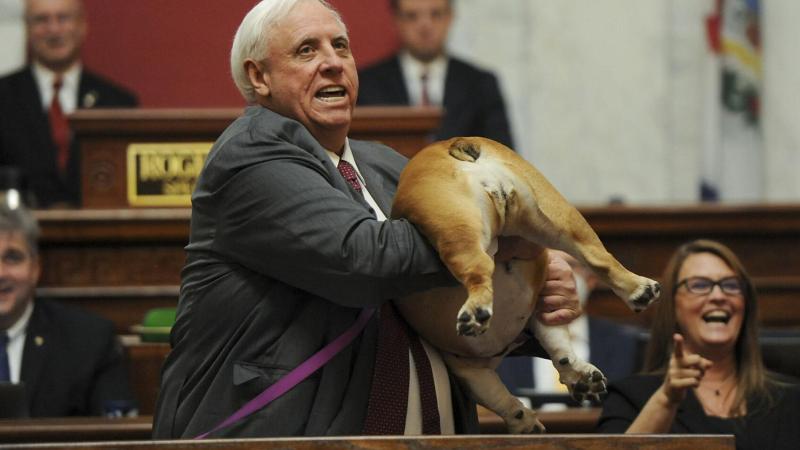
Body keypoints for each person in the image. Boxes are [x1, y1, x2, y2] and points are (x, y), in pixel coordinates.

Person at [151, 0, 579, 439]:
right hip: (281, 434)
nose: (333, 62)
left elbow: (436, 295)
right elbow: (363, 260)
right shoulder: (251, 157)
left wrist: (531, 297)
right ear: (259, 77)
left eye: (341, 46)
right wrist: (508, 246)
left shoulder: (386, 166)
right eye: (306, 50)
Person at [597, 239, 800, 450]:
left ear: (745, 304)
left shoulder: (790, 401)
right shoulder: (631, 397)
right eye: (699, 285)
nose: (718, 296)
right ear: (673, 305)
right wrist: (666, 400)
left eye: (731, 285)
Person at [0, 203, 134, 417]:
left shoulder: (89, 340)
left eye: (12, 258)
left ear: (35, 268)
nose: (1, 273)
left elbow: (115, 437)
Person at [0, 0, 138, 208]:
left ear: (82, 26)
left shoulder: (118, 103)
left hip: (100, 235)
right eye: (41, 20)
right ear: (27, 28)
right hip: (18, 235)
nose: (54, 29)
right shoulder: (4, 97)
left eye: (63, 18)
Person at [357, 0, 514, 148]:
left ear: (450, 17)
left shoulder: (480, 84)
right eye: (412, 16)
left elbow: (503, 158)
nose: (425, 26)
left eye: (436, 14)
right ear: (396, 20)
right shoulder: (367, 85)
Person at [496, 250, 641, 397]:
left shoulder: (623, 341)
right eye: (545, 265)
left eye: (569, 265)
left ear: (590, 280)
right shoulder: (505, 339)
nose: (555, 274)